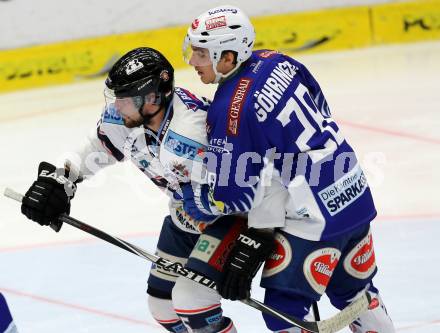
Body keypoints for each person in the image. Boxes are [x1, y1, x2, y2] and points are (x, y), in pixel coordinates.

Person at [181, 5, 395, 333]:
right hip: (351, 187)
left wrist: (193, 199)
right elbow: (321, 104)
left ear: (227, 56)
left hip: (313, 216)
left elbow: (233, 195)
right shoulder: (274, 59)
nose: (193, 62)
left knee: (283, 311)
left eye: (200, 54)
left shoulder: (228, 111)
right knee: (356, 295)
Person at [19, 47, 242, 333]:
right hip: (184, 216)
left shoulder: (191, 133)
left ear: (151, 98)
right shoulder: (129, 117)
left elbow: (232, 193)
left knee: (193, 304)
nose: (116, 106)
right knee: (163, 306)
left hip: (229, 219)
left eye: (123, 99)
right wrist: (61, 179)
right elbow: (97, 147)